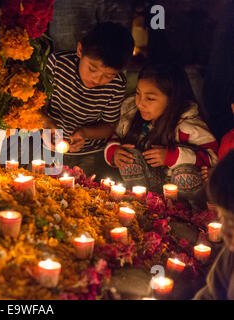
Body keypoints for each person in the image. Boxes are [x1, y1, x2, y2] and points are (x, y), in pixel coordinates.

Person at [103, 63, 218, 197]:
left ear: (172, 99)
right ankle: (139, 200)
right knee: (128, 156)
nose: (140, 103)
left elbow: (213, 158)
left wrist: (173, 156)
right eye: (138, 93)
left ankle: (186, 211)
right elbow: (115, 136)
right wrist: (114, 152)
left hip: (181, 191)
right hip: (146, 186)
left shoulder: (188, 126)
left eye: (150, 98)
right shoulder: (131, 114)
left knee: (184, 174)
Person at [39, 22, 134, 179]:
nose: (97, 79)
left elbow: (109, 126)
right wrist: (45, 122)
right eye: (92, 68)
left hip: (89, 153)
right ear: (80, 50)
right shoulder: (57, 64)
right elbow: (36, 104)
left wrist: (85, 133)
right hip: (47, 146)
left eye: (108, 75)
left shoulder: (117, 84)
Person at [194, 150, 234, 300]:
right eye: (223, 218)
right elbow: (210, 293)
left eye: (233, 222)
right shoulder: (230, 257)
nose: (224, 231)